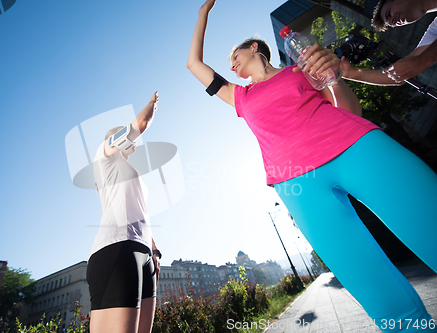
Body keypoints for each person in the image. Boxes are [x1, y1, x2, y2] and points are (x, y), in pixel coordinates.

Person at [187, 0, 437, 332]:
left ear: (253, 48)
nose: (230, 65)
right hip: (299, 185)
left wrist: (334, 78)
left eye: (235, 56)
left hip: (356, 146)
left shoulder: (301, 67)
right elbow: (194, 63)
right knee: (371, 285)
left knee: (429, 225)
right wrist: (203, 13)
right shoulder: (240, 96)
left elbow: (350, 111)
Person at [87, 91, 161, 333]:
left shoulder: (128, 171)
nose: (135, 144)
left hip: (143, 253)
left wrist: (154, 250)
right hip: (117, 249)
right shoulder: (104, 156)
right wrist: (151, 105)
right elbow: (139, 125)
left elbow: (140, 212)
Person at [342, 0, 437, 84]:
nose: (392, 22)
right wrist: (350, 73)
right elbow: (403, 73)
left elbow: (416, 63)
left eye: (388, 13)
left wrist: (420, 62)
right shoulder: (434, 29)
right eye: (392, 24)